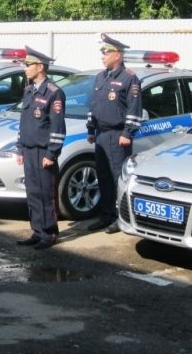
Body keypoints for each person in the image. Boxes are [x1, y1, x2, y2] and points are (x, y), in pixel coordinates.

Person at [85, 34, 143, 234]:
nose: (102, 55)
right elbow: (94, 105)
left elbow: (134, 109)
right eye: (102, 52)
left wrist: (128, 133)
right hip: (101, 135)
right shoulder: (101, 77)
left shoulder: (129, 78)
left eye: (106, 52)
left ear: (117, 55)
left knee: (118, 178)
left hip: (118, 135)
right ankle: (106, 215)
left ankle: (120, 218)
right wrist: (91, 129)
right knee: (103, 177)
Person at [15, 46, 66, 250]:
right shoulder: (29, 91)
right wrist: (20, 149)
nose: (25, 68)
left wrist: (52, 153)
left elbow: (57, 127)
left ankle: (50, 232)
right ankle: (37, 231)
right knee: (33, 192)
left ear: (40, 67)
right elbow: (24, 123)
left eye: (28, 65)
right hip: (28, 150)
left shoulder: (54, 93)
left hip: (43, 152)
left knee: (46, 194)